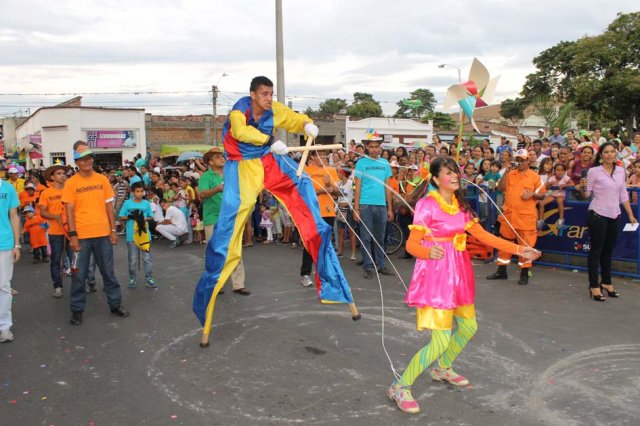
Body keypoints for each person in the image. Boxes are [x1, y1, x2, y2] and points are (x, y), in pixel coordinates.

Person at [193, 76, 353, 333]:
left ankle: (331, 278)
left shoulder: (274, 109)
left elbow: (292, 118)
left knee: (302, 189)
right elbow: (240, 132)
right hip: (242, 168)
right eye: (264, 94)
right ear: (253, 94)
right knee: (229, 228)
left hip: (268, 162)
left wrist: (308, 124)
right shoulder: (239, 110)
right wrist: (269, 141)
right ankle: (209, 293)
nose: (269, 98)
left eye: (271, 94)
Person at [387, 157, 540, 414]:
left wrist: (520, 249)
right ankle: (399, 386)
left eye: (456, 171)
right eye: (448, 173)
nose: (455, 176)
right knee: (439, 340)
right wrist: (428, 251)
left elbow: (484, 236)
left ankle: (442, 367)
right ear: (435, 179)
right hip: (436, 276)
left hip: (458, 273)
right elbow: (413, 245)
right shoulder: (427, 205)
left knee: (469, 327)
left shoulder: (461, 206)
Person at [62, 141, 129, 326]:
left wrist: (113, 229)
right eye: (82, 159)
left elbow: (109, 206)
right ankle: (77, 310)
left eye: (89, 158)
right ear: (77, 163)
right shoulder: (71, 183)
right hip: (81, 237)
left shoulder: (102, 180)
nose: (87, 162)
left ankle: (115, 304)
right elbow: (69, 210)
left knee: (108, 272)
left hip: (103, 235)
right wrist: (73, 235)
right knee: (78, 275)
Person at [577, 142, 637, 301]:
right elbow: (586, 195)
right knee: (596, 251)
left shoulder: (620, 171)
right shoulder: (593, 171)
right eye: (606, 152)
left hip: (615, 215)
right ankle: (594, 286)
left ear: (615, 153)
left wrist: (630, 215)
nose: (609, 154)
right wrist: (582, 187)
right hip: (597, 214)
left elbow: (623, 195)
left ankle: (607, 282)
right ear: (601, 155)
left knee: (608, 251)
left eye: (612, 152)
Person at [487, 149, 546, 285]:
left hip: (525, 218)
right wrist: (506, 171)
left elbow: (542, 194)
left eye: (522, 160)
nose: (520, 163)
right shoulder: (511, 174)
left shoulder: (534, 177)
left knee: (526, 246)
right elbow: (501, 188)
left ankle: (524, 273)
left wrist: (531, 194)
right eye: (518, 160)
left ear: (528, 161)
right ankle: (502, 271)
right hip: (509, 216)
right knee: (504, 244)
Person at [197, 147, 249, 295]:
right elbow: (201, 194)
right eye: (218, 156)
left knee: (235, 249)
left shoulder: (230, 174)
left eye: (222, 156)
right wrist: (217, 189)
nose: (222, 158)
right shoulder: (206, 177)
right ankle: (215, 283)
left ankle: (238, 284)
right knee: (214, 251)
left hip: (231, 216)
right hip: (212, 217)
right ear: (211, 162)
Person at [353, 138, 394, 279]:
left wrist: (390, 208)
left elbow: (387, 187)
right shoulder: (361, 163)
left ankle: (381, 265)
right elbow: (357, 187)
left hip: (382, 205)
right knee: (366, 237)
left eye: (377, 147)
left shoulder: (385, 163)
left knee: (380, 237)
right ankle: (368, 266)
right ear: (366, 147)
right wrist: (356, 208)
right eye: (372, 147)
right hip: (365, 205)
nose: (375, 149)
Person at [299, 149, 339, 287]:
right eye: (319, 154)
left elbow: (339, 192)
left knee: (326, 244)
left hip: (328, 212)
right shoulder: (305, 170)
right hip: (312, 212)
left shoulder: (331, 170)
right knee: (310, 243)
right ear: (312, 156)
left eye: (324, 154)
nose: (322, 157)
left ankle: (324, 273)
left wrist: (329, 186)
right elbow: (302, 192)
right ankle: (305, 273)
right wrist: (321, 190)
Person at [39, 164, 73, 298]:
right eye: (59, 173)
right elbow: (42, 212)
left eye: (64, 173)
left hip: (71, 232)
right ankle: (57, 286)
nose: (62, 175)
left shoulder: (70, 190)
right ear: (52, 177)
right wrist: (57, 217)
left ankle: (79, 284)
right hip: (55, 232)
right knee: (56, 260)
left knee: (75, 259)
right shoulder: (46, 193)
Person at [119, 182, 156, 289]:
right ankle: (132, 278)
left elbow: (151, 217)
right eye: (137, 191)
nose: (140, 194)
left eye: (141, 191)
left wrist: (143, 219)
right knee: (133, 259)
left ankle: (149, 278)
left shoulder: (146, 203)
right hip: (132, 236)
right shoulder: (127, 203)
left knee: (147, 259)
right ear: (133, 192)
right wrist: (130, 216)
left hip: (145, 235)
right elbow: (121, 216)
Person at [0, 176, 21, 343]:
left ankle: (4, 326)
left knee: (3, 286)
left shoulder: (7, 188)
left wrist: (17, 245)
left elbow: (14, 216)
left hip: (4, 243)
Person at [538, 163, 571, 229]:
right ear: (554, 171)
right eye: (558, 170)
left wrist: (564, 185)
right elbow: (546, 186)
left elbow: (572, 184)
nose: (560, 171)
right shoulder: (552, 178)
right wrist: (550, 184)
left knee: (559, 200)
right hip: (553, 194)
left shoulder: (566, 178)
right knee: (541, 202)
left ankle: (561, 219)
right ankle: (541, 220)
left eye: (562, 170)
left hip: (563, 195)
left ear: (564, 171)